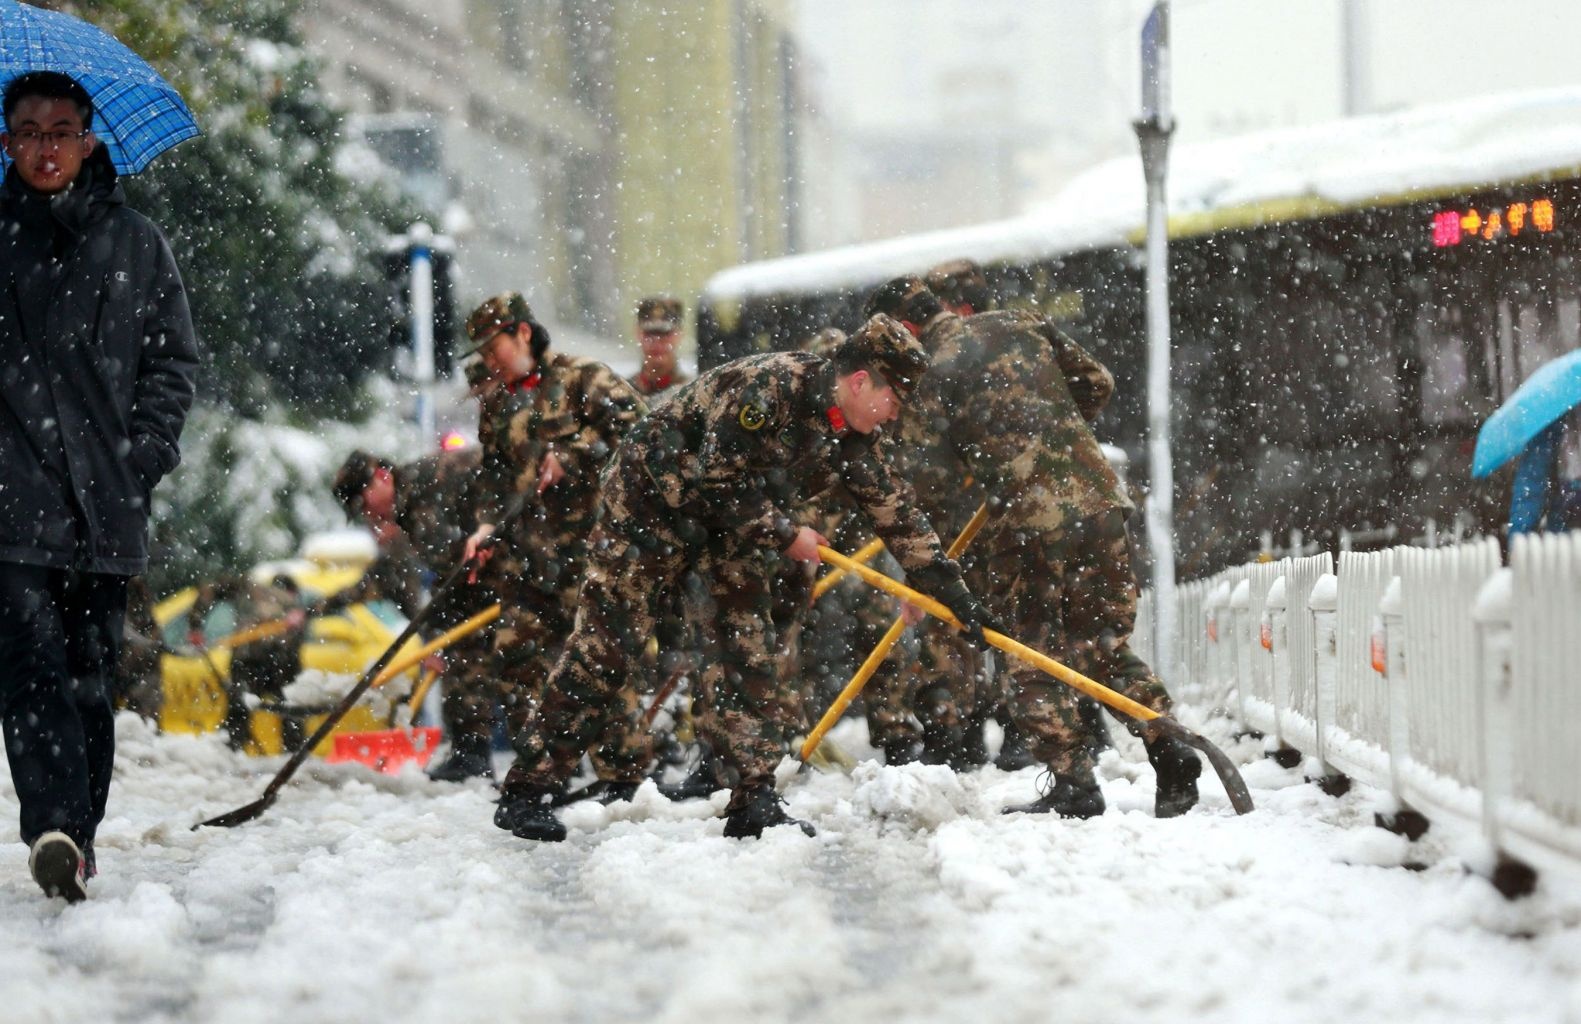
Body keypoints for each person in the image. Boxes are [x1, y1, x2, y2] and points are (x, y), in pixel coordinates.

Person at [493, 314, 994, 843]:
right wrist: (785, 533)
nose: (897, 414)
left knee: (746, 646)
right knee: (606, 648)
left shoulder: (855, 435)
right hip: (650, 506)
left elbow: (897, 514)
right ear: (859, 381)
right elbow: (716, 477)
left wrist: (954, 594)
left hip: (730, 525)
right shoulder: (773, 388)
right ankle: (528, 789)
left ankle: (753, 796)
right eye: (895, 398)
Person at [865, 277, 1199, 820]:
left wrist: (994, 470)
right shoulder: (1019, 320)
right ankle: (1166, 742)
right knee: (1101, 641)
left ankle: (1073, 781)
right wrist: (1050, 437)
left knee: (1029, 654)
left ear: (904, 329)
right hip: (1098, 500)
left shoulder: (925, 376)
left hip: (1026, 524)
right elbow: (1097, 383)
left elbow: (928, 485)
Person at [0, 72, 199, 901]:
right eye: (28, 131)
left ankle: (75, 837)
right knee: (31, 668)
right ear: (7, 143)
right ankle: (50, 822)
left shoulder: (137, 243)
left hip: (105, 505)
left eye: (61, 130)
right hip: (10, 505)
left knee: (89, 677)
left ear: (90, 141)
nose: (45, 147)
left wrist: (143, 453)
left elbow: (174, 363)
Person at [458, 292, 654, 806]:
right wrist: (482, 530)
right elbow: (493, 479)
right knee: (516, 655)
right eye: (479, 348)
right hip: (527, 560)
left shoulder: (580, 377)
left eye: (492, 344)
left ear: (522, 333)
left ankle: (624, 774)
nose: (487, 358)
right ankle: (544, 774)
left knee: (602, 659)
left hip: (592, 552)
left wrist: (579, 451)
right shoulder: (497, 401)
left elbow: (646, 436)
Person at [332, 445, 498, 781]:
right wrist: (435, 637)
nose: (370, 517)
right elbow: (447, 575)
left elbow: (501, 483)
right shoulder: (409, 510)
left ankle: (548, 765)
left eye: (364, 506)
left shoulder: (432, 479)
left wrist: (490, 531)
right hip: (476, 581)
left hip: (515, 564)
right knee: (463, 655)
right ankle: (471, 754)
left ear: (380, 477)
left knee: (524, 661)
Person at [629, 295, 692, 402]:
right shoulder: (624, 392)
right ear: (638, 334)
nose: (657, 342)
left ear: (679, 335)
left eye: (665, 333)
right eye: (649, 333)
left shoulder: (692, 393)